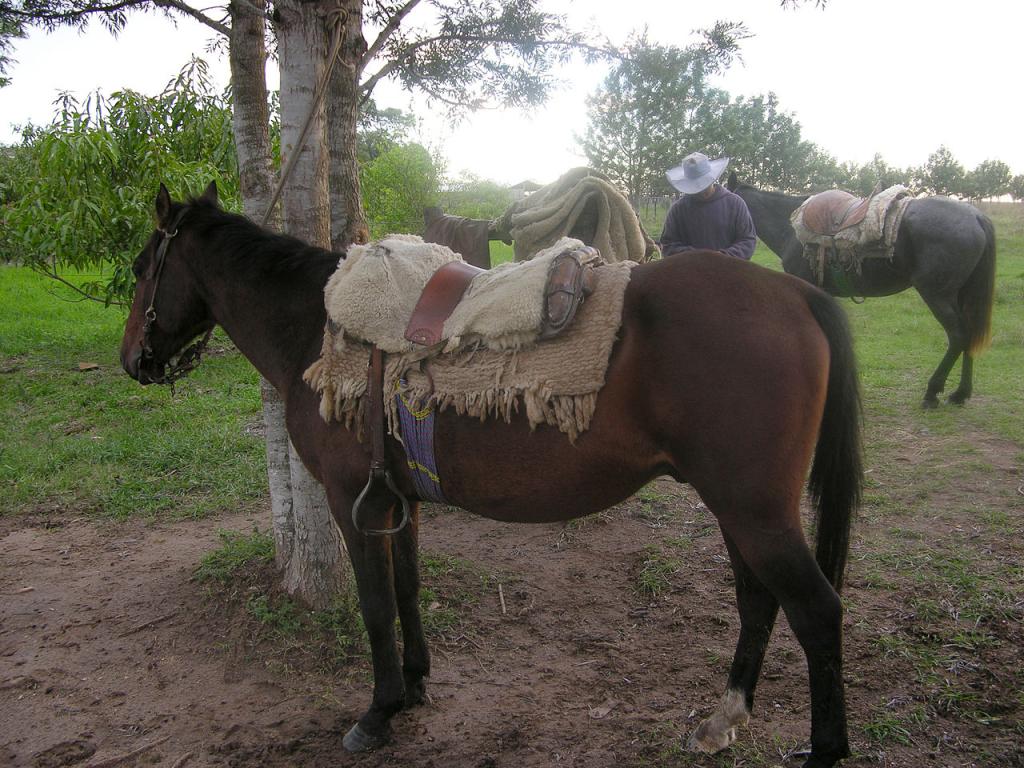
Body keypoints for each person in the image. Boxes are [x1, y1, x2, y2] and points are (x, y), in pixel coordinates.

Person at [660, 152, 756, 260]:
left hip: (729, 272)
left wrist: (722, 257)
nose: (700, 191)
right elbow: (668, 245)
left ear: (712, 179)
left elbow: (747, 241)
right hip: (689, 273)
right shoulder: (678, 209)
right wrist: (697, 257)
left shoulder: (735, 204)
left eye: (704, 186)